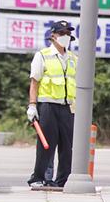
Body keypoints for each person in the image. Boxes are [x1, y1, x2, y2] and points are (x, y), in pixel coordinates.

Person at [26, 20, 78, 189]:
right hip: (48, 105)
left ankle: (62, 180)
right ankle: (38, 178)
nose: (66, 37)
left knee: (67, 146)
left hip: (68, 107)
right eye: (62, 33)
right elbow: (35, 82)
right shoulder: (42, 55)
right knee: (46, 145)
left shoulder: (73, 59)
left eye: (68, 34)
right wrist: (32, 105)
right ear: (53, 36)